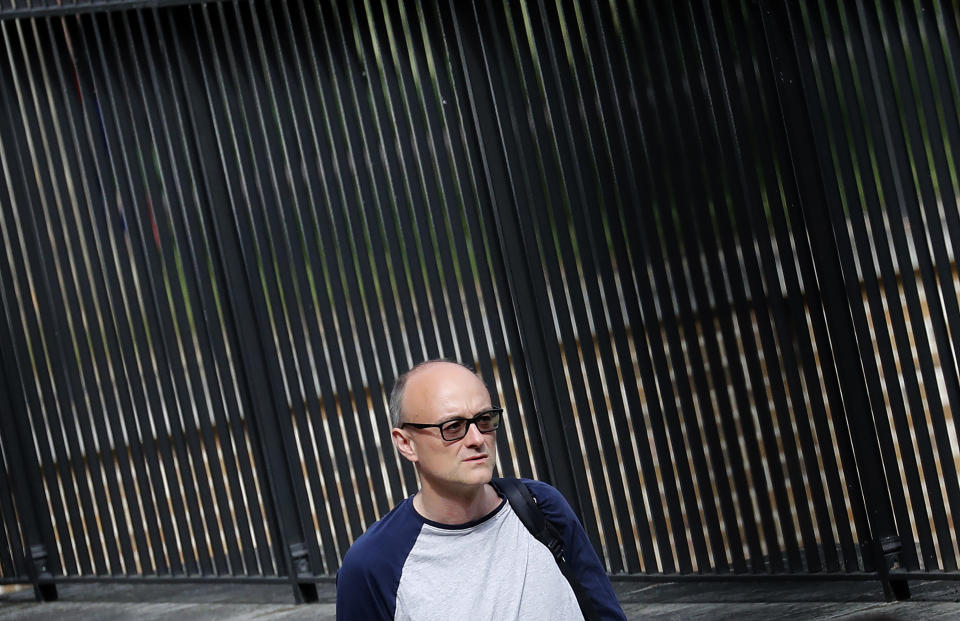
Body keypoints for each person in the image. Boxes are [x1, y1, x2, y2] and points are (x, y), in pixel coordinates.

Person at [335, 359, 626, 620]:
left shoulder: (540, 505)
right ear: (406, 443)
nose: (477, 438)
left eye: (484, 420)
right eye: (453, 426)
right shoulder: (373, 563)